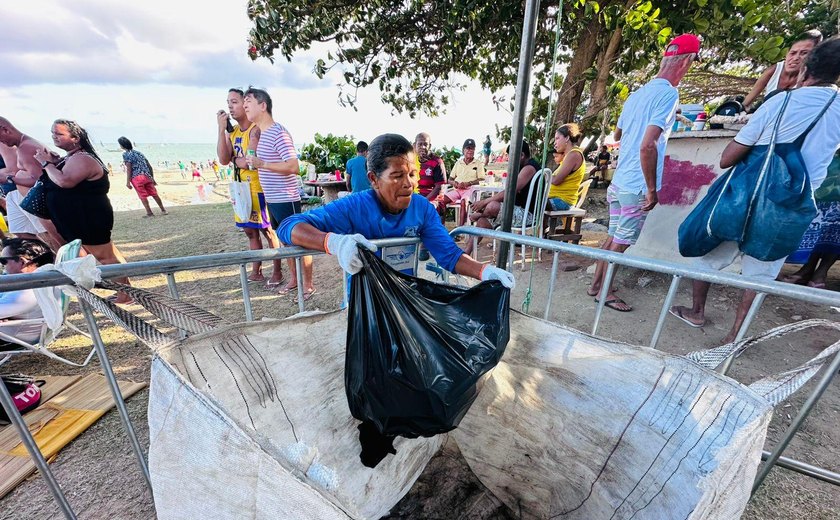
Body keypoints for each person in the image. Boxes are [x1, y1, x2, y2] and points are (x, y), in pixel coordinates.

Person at [670, 36, 840, 343]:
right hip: (790, 207)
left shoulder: (779, 102)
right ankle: (734, 337)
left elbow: (727, 158)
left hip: (745, 199)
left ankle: (696, 311)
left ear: (805, 69)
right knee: (760, 276)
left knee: (709, 255)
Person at [276, 133, 514, 290]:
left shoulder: (421, 209)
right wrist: (335, 243)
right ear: (374, 179)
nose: (408, 183)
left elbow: (449, 255)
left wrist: (485, 272)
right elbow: (288, 226)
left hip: (405, 299)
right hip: (364, 304)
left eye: (411, 174)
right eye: (398, 176)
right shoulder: (354, 206)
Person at [587, 34, 700, 312]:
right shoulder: (668, 94)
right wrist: (652, 189)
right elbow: (648, 145)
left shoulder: (637, 95)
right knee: (621, 243)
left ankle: (597, 285)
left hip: (619, 182)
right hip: (636, 185)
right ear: (686, 61)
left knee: (613, 237)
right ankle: (603, 292)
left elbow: (618, 133)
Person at [33, 119, 133, 303]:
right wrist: (55, 162)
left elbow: (65, 181)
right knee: (107, 254)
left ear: (75, 138)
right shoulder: (73, 157)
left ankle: (126, 294)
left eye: (59, 134)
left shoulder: (83, 158)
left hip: (89, 217)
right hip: (82, 217)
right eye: (52, 133)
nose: (54, 137)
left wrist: (46, 164)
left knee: (106, 257)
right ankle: (126, 291)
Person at [243, 87, 315, 301]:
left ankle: (308, 285)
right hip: (273, 199)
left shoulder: (278, 132)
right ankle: (294, 279)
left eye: (249, 101)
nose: (245, 105)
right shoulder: (262, 134)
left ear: (263, 105)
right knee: (285, 242)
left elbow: (293, 166)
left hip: (287, 198)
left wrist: (262, 163)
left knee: (300, 242)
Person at [216, 87, 284, 286]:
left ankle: (277, 271)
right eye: (229, 102)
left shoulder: (255, 130)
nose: (231, 106)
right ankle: (257, 270)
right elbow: (222, 159)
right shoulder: (233, 132)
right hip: (240, 188)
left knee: (267, 231)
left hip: (257, 188)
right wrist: (221, 130)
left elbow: (248, 162)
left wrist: (235, 159)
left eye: (235, 102)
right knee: (249, 231)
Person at [464, 140, 541, 256]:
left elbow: (510, 191)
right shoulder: (522, 167)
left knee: (492, 205)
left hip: (528, 215)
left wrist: (484, 202)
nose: (509, 161)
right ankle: (465, 254)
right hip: (517, 211)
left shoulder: (530, 168)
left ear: (521, 155)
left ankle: (480, 214)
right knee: (482, 222)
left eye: (511, 157)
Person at [0, 117, 58, 246]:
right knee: (26, 234)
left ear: (5, 130)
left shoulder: (25, 147)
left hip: (35, 199)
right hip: (23, 196)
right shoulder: (22, 145)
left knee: (55, 239)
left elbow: (40, 180)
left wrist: (10, 178)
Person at [743, 30, 823, 110]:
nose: (795, 58)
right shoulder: (773, 70)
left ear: (815, 56)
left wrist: (800, 84)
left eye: (804, 53)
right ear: (787, 54)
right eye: (793, 53)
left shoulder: (814, 80)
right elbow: (746, 103)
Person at [0, 238, 54, 349]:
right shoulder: (48, 277)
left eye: (3, 261)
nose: (2, 266)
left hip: (12, 337)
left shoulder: (24, 292)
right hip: (24, 329)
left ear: (22, 261)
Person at [118, 136, 168, 217]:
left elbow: (129, 169)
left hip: (136, 177)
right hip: (147, 176)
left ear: (122, 146)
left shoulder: (126, 154)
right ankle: (163, 210)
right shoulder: (139, 153)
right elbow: (149, 166)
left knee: (142, 196)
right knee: (154, 194)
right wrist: (152, 178)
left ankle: (149, 213)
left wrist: (128, 182)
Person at [441, 138, 485, 225]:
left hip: (470, 190)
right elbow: (450, 179)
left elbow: (482, 180)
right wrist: (454, 183)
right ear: (463, 150)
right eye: (468, 148)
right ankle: (441, 227)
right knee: (442, 200)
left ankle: (460, 229)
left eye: (472, 148)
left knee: (464, 202)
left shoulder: (478, 163)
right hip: (457, 190)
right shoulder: (458, 163)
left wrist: (469, 183)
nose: (470, 151)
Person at [547, 124, 586, 211]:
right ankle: (542, 225)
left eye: (557, 138)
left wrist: (544, 175)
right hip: (556, 198)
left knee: (530, 201)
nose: (555, 142)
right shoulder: (568, 156)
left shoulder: (574, 154)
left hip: (562, 201)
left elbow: (556, 180)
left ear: (567, 138)